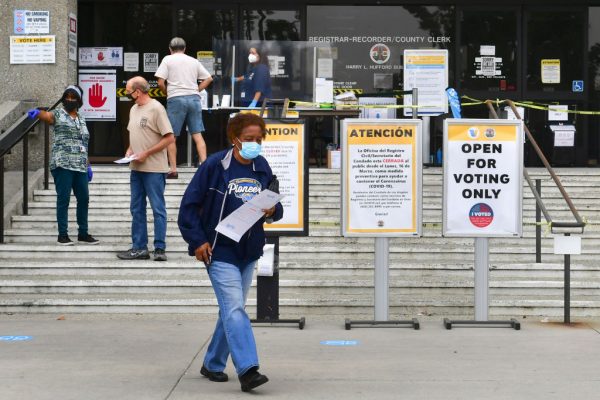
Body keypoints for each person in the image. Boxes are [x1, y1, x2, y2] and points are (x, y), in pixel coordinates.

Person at [178, 113, 283, 392]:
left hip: (248, 251)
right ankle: (248, 369)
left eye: (259, 139)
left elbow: (275, 206)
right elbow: (188, 206)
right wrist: (197, 241)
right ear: (235, 138)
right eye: (249, 139)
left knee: (231, 308)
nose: (255, 144)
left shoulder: (261, 166)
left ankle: (212, 363)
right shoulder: (215, 166)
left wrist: (273, 209)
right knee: (235, 308)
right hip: (219, 249)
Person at [27, 85, 99, 246]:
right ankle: (63, 235)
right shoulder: (58, 114)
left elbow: (84, 143)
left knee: (84, 198)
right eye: (67, 97)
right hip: (63, 163)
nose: (70, 100)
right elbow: (47, 116)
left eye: (74, 98)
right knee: (64, 199)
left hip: (80, 165)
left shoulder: (82, 118)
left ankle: (83, 233)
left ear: (79, 100)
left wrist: (88, 165)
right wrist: (38, 113)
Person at [117, 77, 175, 262]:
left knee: (158, 208)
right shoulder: (133, 109)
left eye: (128, 90)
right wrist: (130, 150)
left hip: (154, 169)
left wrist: (147, 153)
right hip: (136, 168)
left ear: (138, 91)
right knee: (136, 208)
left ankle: (159, 248)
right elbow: (134, 134)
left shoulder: (157, 108)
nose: (126, 94)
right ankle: (139, 248)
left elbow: (169, 138)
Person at [155, 37, 213, 179]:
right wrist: (196, 90)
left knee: (171, 136)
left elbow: (160, 82)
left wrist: (167, 93)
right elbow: (209, 78)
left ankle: (173, 169)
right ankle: (204, 169)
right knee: (197, 135)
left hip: (176, 99)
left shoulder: (167, 60)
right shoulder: (193, 61)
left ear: (170, 48)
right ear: (185, 48)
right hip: (193, 99)